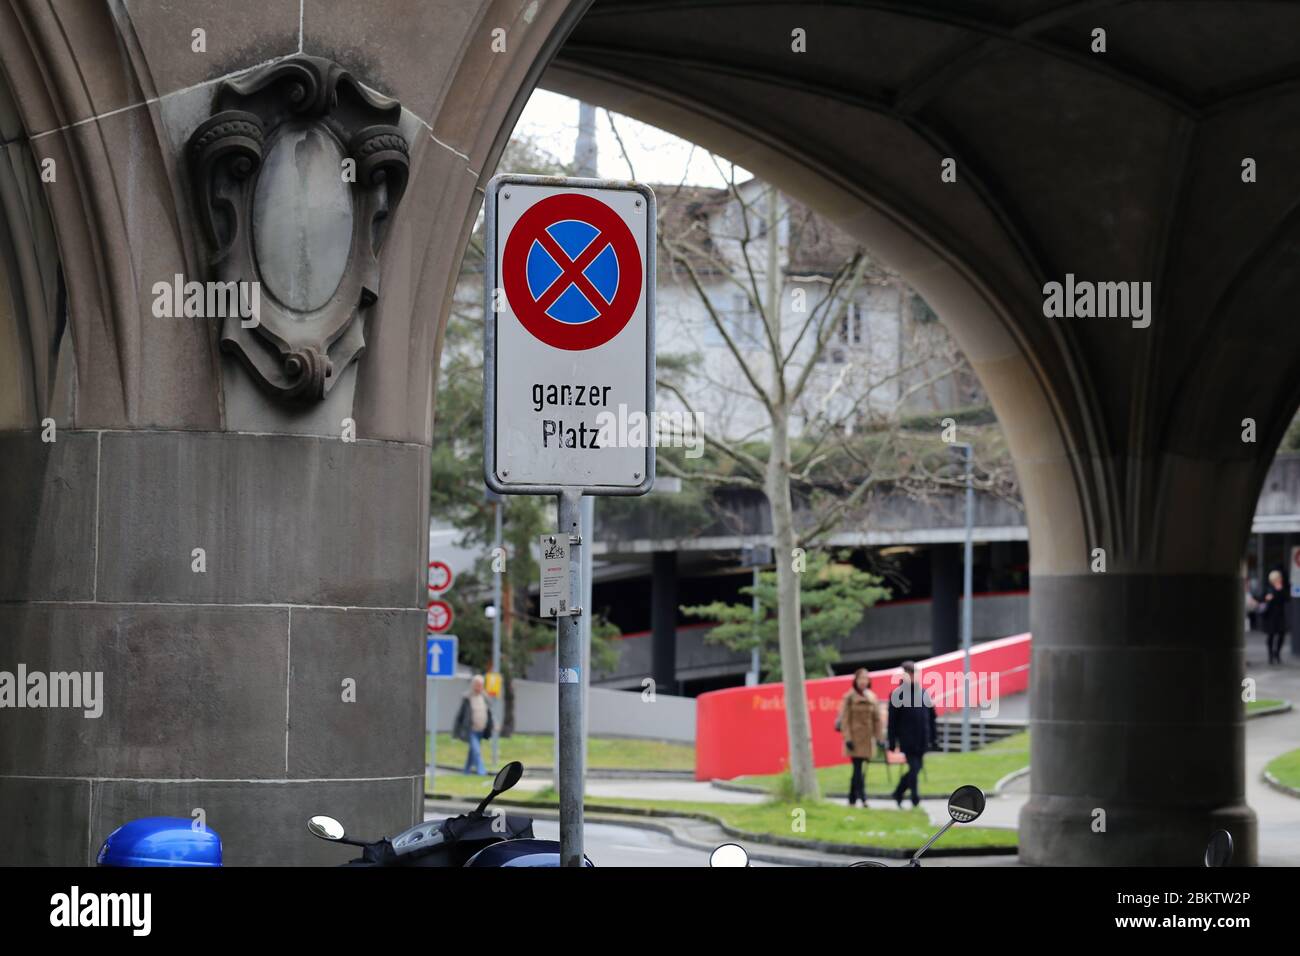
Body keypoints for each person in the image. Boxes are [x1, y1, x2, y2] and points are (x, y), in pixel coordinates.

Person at [887, 660, 937, 809]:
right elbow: (892, 721)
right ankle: (915, 799)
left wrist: (934, 737)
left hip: (922, 739)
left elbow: (931, 717)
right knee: (914, 768)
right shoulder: (897, 695)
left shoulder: (923, 693)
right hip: (907, 740)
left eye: (915, 673)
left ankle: (898, 791)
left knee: (917, 768)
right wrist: (891, 741)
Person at [835, 668, 885, 808]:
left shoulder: (872, 697)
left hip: (868, 739)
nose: (863, 681)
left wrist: (879, 737)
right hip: (854, 739)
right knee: (857, 768)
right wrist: (848, 738)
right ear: (855, 680)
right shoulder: (849, 697)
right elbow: (845, 720)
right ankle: (863, 797)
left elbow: (877, 719)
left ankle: (852, 799)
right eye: (860, 678)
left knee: (860, 770)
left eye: (865, 678)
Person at [453, 674, 494, 775]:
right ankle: (482, 772)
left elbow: (489, 713)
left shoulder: (484, 697)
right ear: (473, 685)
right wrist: (456, 732)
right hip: (471, 730)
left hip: (481, 730)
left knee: (472, 752)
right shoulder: (467, 698)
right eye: (477, 685)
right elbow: (460, 716)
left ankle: (466, 771)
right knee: (476, 751)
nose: (479, 687)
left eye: (481, 685)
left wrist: (492, 725)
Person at [1260, 569, 1290, 665]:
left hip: (1280, 615)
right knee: (1271, 636)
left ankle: (1277, 653)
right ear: (1274, 579)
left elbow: (1287, 599)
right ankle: (1270, 656)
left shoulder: (1282, 588)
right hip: (1270, 615)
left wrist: (1280, 590)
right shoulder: (1268, 588)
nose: (1280, 579)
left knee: (1281, 635)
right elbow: (1261, 598)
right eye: (1278, 578)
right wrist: (1267, 598)